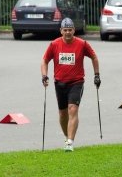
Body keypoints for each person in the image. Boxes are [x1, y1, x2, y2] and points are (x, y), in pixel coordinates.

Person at [40, 17, 101, 152]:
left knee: (72, 109)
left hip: (76, 82)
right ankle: (68, 136)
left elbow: (94, 57)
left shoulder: (82, 43)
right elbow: (44, 60)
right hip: (60, 83)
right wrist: (44, 76)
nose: (68, 33)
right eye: (65, 30)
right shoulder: (54, 44)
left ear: (74, 30)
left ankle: (70, 142)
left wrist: (96, 75)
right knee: (63, 114)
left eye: (70, 30)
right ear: (61, 31)